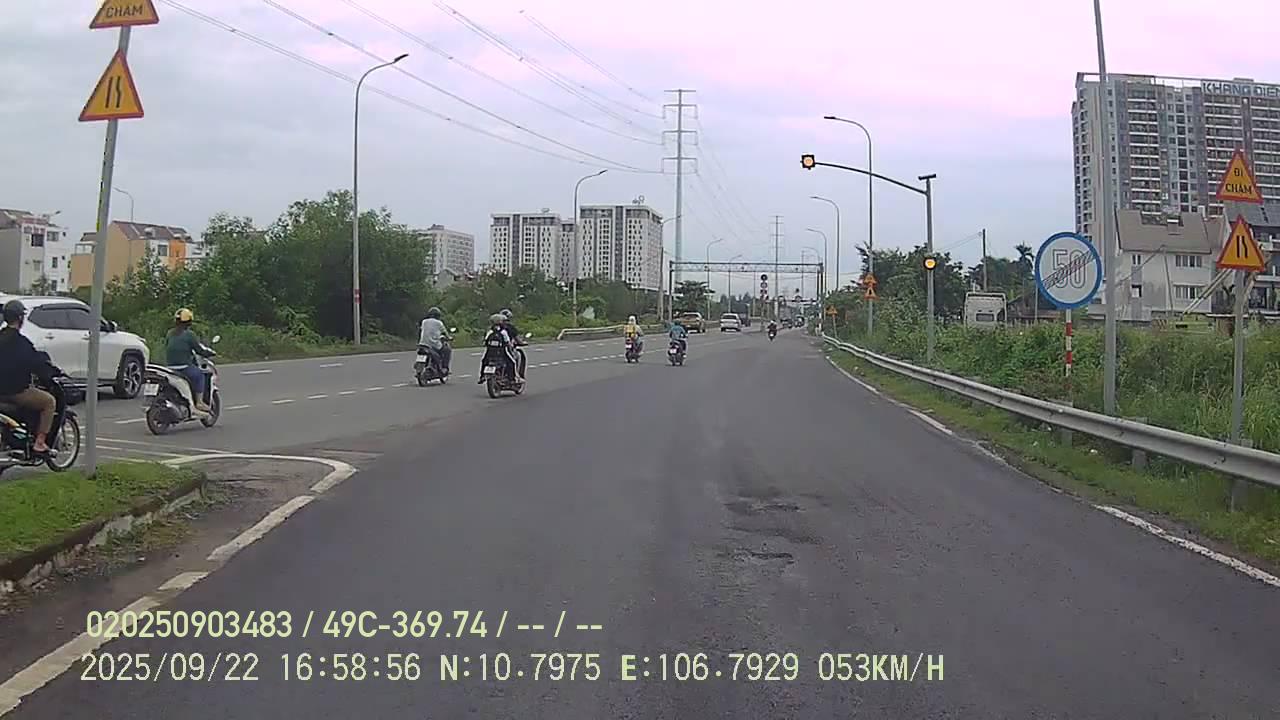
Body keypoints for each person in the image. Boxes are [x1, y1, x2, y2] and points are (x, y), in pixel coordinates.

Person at [0, 300, 58, 454]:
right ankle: (40, 442)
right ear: (20, 318)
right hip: (16, 392)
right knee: (49, 401)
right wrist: (49, 373)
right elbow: (36, 364)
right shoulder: (22, 343)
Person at [164, 308, 215, 412]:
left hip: (170, 367)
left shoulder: (170, 333)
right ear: (189, 322)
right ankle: (199, 402)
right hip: (184, 366)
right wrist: (209, 353)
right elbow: (199, 350)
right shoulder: (189, 335)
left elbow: (167, 346)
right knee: (200, 376)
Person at [418, 306, 451, 375]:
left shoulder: (424, 321)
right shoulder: (439, 323)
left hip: (422, 344)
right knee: (447, 350)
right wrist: (449, 337)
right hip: (433, 344)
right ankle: (444, 367)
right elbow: (445, 332)